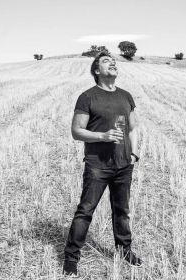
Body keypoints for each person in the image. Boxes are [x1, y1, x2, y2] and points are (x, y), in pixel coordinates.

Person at [63, 52, 142, 276]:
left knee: (121, 211)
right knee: (85, 211)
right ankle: (71, 257)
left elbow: (134, 127)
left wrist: (134, 153)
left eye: (114, 61)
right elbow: (76, 131)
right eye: (107, 61)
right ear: (97, 70)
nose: (113, 63)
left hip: (123, 165)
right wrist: (103, 137)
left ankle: (124, 250)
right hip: (97, 165)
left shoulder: (126, 96)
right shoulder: (87, 97)